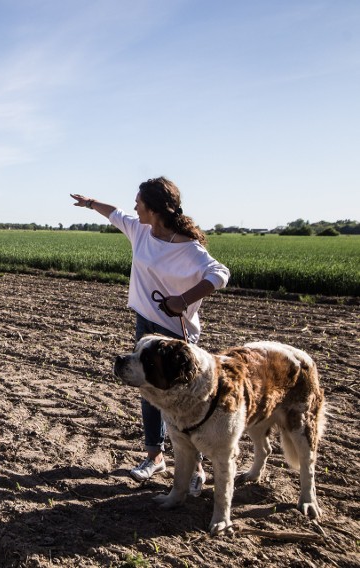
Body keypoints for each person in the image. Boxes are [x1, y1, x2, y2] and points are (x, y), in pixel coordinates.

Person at [71, 177, 230, 496]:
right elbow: (115, 213)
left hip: (175, 336)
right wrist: (90, 203)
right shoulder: (139, 230)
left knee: (183, 404)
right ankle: (155, 456)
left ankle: (196, 468)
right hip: (145, 326)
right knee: (148, 392)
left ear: (154, 209)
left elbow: (220, 274)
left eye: (139, 202)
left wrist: (183, 300)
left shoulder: (188, 247)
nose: (134, 207)